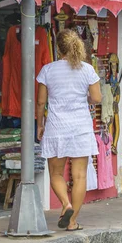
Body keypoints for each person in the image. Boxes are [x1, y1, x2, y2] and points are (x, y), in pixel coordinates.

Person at [36, 29, 102, 231]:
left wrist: (40, 124)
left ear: (58, 48)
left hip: (56, 128)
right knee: (80, 175)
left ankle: (66, 204)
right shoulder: (87, 70)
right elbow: (97, 98)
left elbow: (40, 103)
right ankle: (72, 222)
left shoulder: (48, 70)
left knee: (55, 173)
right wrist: (87, 98)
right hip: (81, 128)